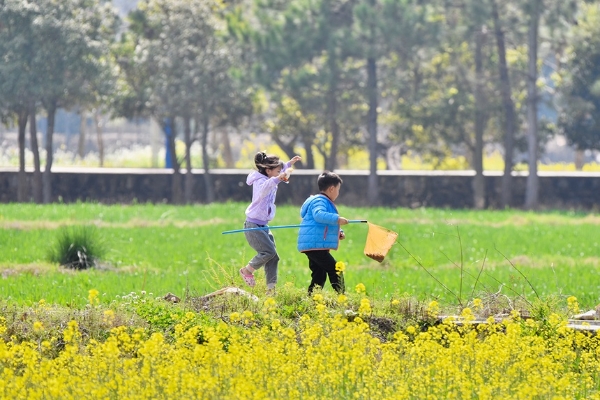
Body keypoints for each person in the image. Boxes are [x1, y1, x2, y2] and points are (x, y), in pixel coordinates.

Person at [239, 151, 302, 291]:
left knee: (274, 257)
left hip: (263, 225)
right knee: (268, 252)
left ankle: (271, 289)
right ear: (268, 171)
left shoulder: (271, 176)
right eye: (278, 171)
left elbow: (278, 172)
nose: (281, 173)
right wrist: (278, 178)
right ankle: (247, 270)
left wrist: (289, 164)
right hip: (253, 225)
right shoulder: (260, 181)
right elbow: (266, 187)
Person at [297, 171, 349, 294]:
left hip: (314, 244)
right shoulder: (320, 201)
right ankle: (342, 297)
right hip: (315, 245)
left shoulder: (323, 201)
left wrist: (339, 232)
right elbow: (319, 215)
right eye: (338, 189)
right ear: (331, 188)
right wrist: (338, 219)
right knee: (336, 269)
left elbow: (325, 223)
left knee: (319, 275)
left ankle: (312, 299)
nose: (338, 193)